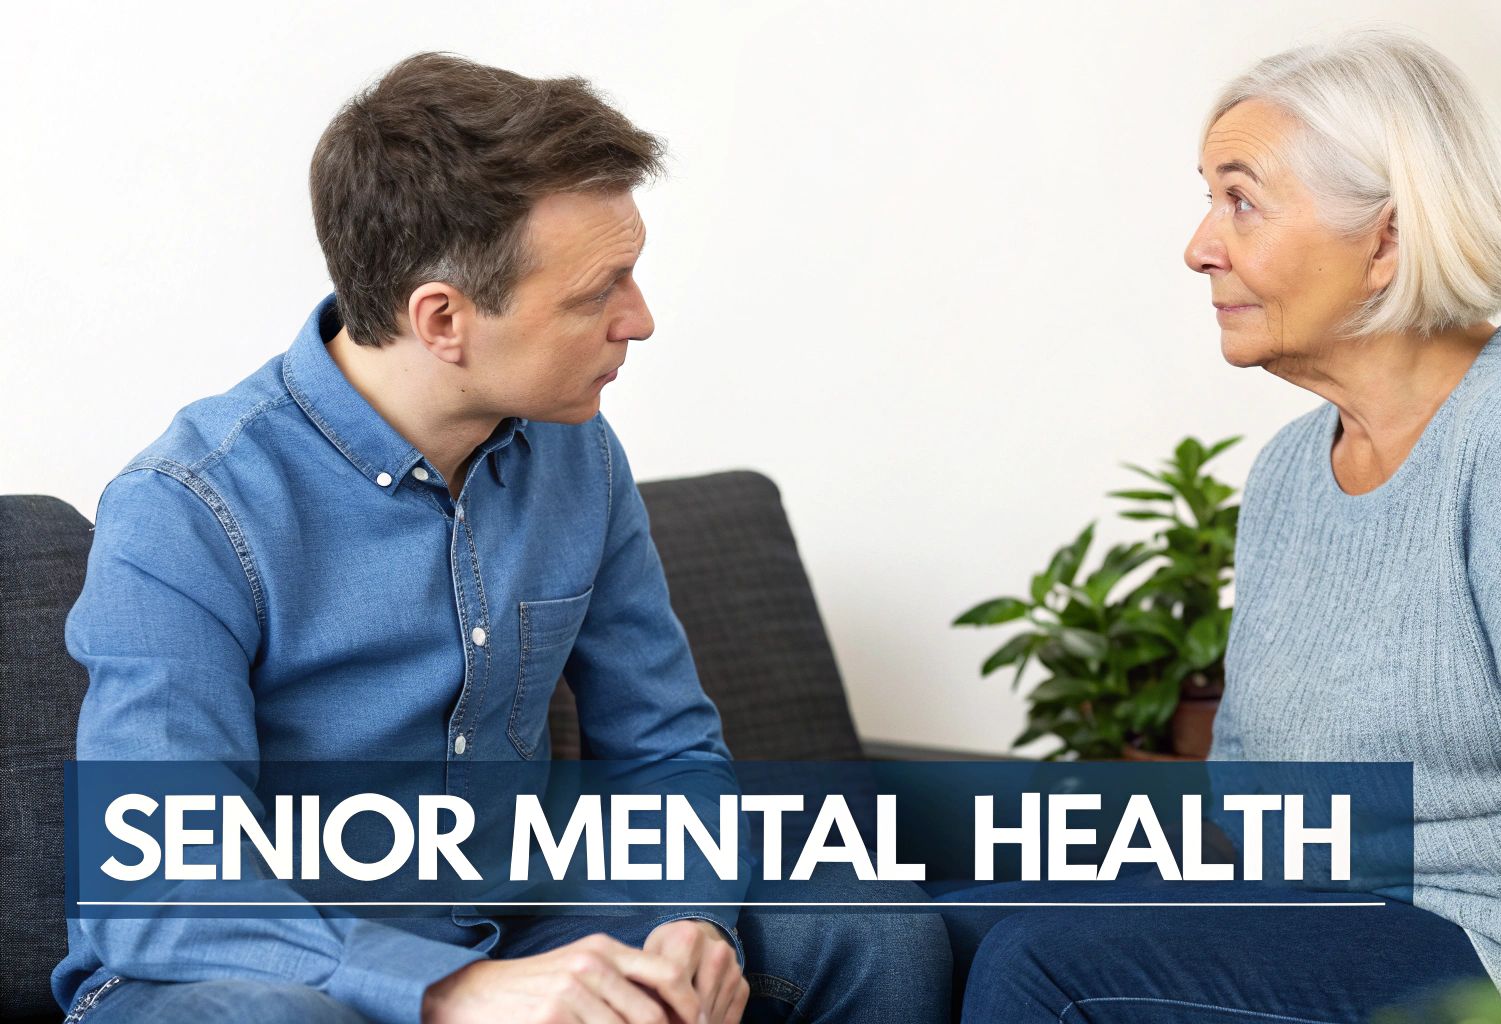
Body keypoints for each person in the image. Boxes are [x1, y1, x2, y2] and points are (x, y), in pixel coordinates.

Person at [54, 52, 950, 1024]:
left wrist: (693, 919)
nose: (639, 321)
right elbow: (154, 888)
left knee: (869, 927)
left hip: (506, 923)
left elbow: (662, 748)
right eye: (594, 293)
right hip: (241, 968)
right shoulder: (189, 506)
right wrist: (452, 991)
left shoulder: (577, 456)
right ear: (442, 318)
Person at [955, 28, 1501, 1024]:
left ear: (1385, 239)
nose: (1197, 245)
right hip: (1341, 915)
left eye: (1240, 198)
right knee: (943, 923)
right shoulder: (1285, 478)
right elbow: (1253, 796)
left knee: (1046, 967)